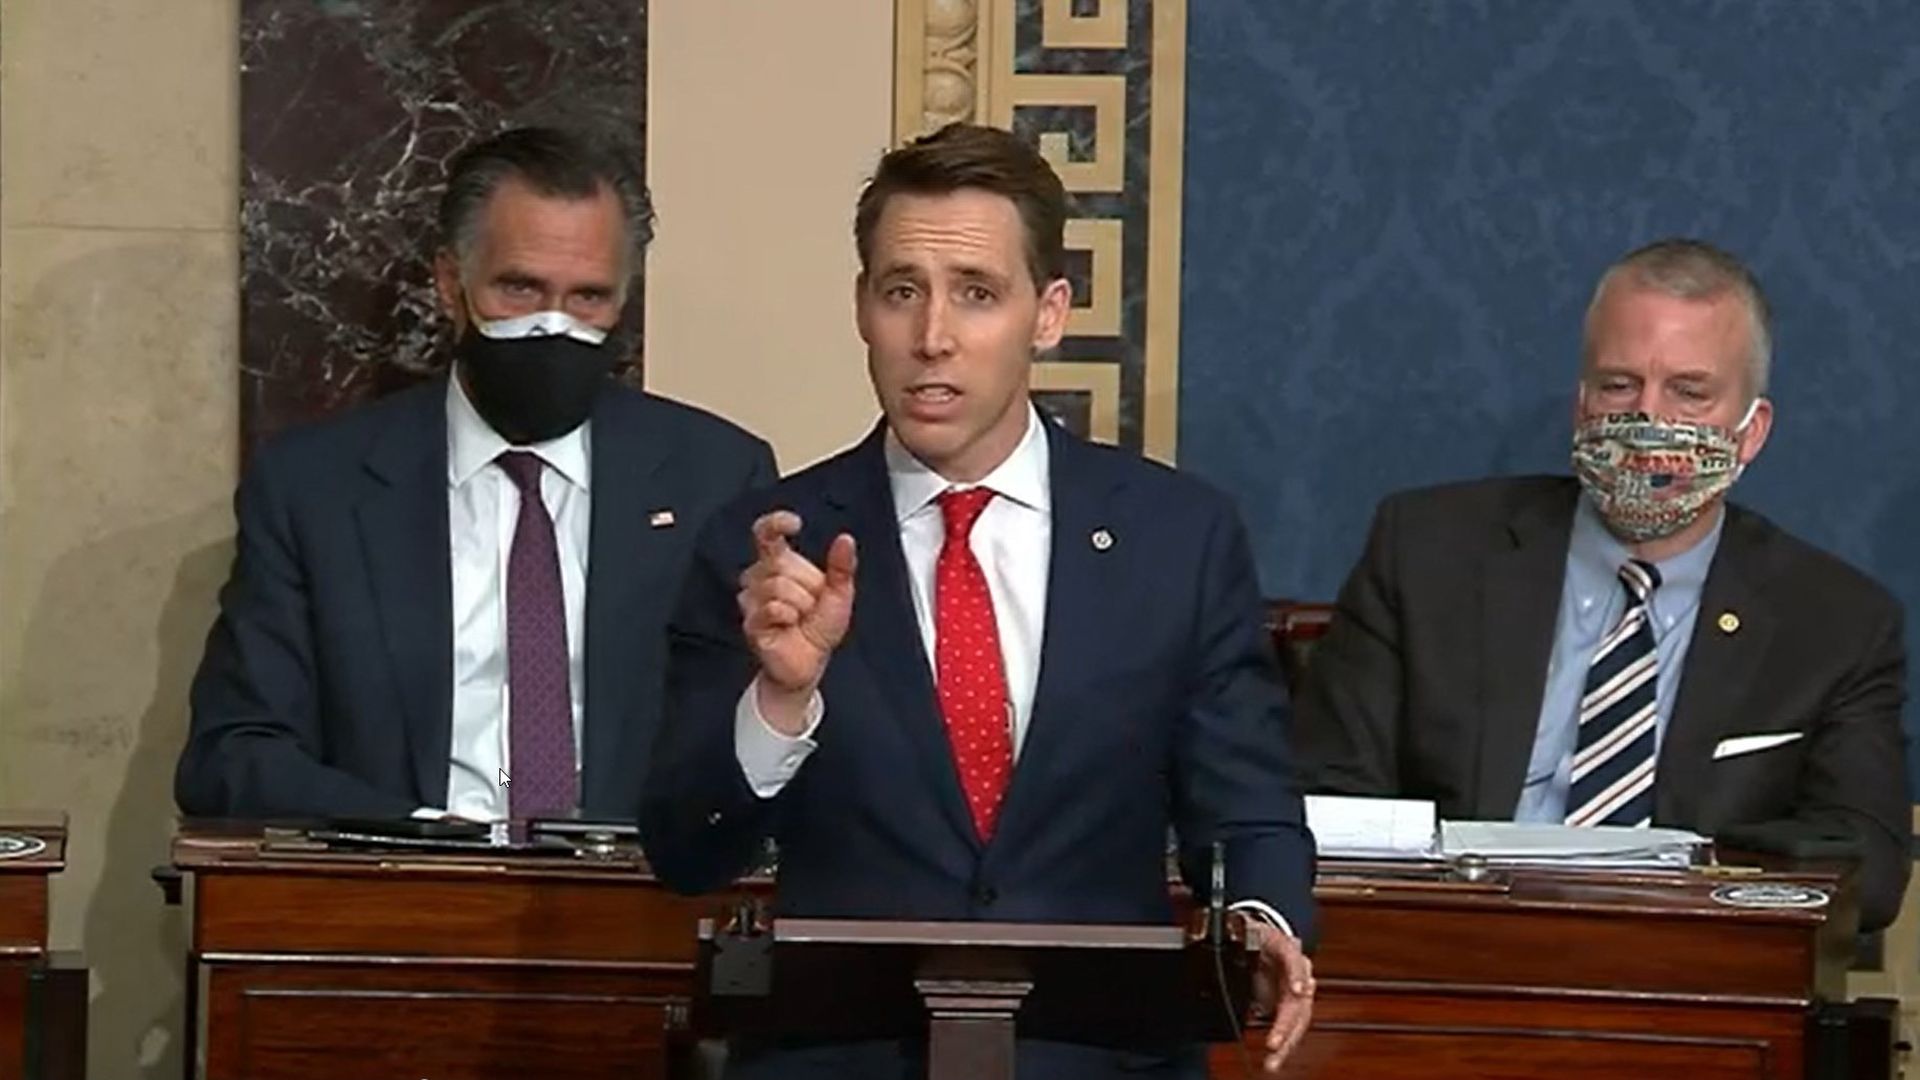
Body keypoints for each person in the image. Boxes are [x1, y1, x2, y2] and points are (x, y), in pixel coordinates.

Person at [641, 123, 1316, 1079]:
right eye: (901, 291)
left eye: (977, 295)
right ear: (862, 307)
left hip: (1099, 1060)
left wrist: (1262, 921)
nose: (932, 339)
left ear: (1048, 314)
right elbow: (684, 851)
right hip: (842, 1061)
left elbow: (1246, 807)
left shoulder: (1180, 536)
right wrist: (780, 701)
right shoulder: (769, 546)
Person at [1297, 238, 1910, 929]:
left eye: (1689, 392)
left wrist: (1699, 873)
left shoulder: (1835, 622)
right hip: (1450, 947)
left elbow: (1873, 872)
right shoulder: (1426, 552)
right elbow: (1327, 798)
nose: (1648, 420)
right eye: (1620, 385)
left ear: (1751, 432)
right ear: (1581, 405)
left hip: (1692, 971)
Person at [176, 126, 776, 822]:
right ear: (450, 284)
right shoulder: (315, 488)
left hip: (635, 907)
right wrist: (422, 840)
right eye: (520, 289)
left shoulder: (717, 477)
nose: (553, 328)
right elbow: (233, 755)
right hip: (395, 902)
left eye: (588, 297)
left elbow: (751, 745)